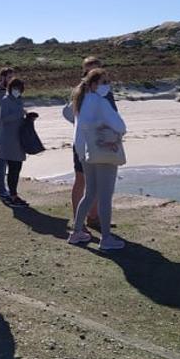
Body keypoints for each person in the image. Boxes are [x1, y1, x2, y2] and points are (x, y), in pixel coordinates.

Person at [67, 69, 127, 251]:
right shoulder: (100, 102)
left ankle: (77, 232)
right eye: (104, 81)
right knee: (105, 195)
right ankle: (106, 238)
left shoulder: (81, 100)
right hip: (103, 152)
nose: (106, 85)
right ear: (93, 84)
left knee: (90, 192)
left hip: (85, 152)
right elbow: (120, 126)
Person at [65, 57, 117, 230]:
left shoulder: (104, 92)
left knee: (95, 183)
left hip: (98, 141)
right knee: (82, 180)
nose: (92, 74)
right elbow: (69, 112)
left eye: (95, 70)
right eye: (88, 71)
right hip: (85, 143)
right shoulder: (80, 91)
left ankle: (93, 217)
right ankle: (78, 220)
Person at [0, 77, 38, 208]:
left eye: (20, 89)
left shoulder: (19, 100)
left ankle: (13, 194)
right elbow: (3, 119)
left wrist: (29, 118)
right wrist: (19, 114)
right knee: (13, 168)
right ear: (10, 88)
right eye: (15, 88)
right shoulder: (5, 100)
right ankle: (12, 195)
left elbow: (19, 117)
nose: (17, 91)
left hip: (18, 139)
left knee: (17, 168)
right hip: (8, 140)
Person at [0, 67, 15, 203]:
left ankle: (7, 188)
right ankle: (1, 189)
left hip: (7, 130)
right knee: (3, 159)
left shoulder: (4, 91)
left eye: (12, 77)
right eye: (9, 77)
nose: (11, 80)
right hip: (0, 129)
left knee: (7, 159)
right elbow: (1, 113)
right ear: (2, 77)